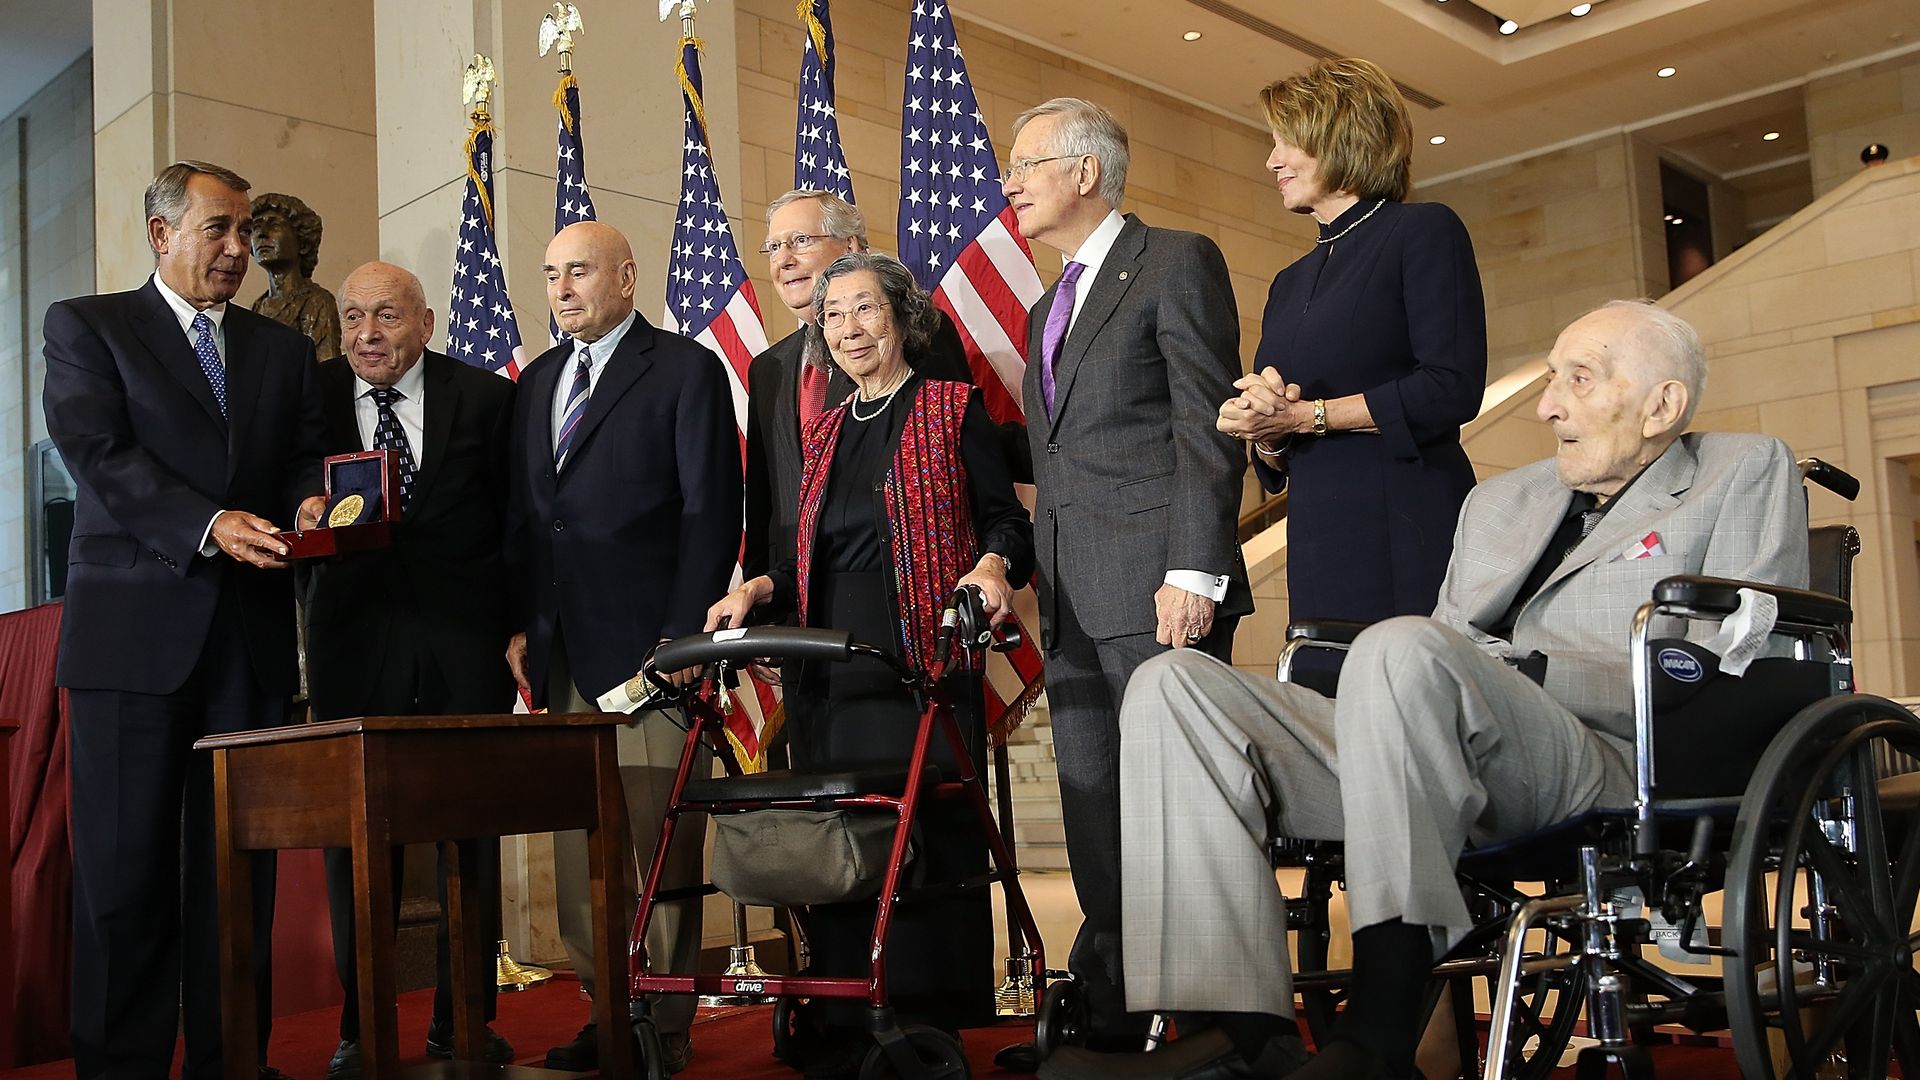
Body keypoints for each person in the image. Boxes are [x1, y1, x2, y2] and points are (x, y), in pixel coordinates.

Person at [1041, 301, 1809, 1080]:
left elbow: (1740, 656)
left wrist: (1505, 676)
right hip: (1435, 739)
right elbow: (1438, 651)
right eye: (1549, 381)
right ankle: (1239, 1041)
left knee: (1403, 646)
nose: (1548, 407)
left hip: (1604, 750)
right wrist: (1448, 676)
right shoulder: (1500, 501)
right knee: (1173, 684)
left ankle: (1377, 1033)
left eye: (1578, 380)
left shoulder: (1740, 471)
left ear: (1662, 406)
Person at [707, 251, 1033, 1079]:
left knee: (922, 827)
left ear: (901, 319)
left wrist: (991, 569)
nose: (849, 328)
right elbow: (802, 557)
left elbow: (1005, 525)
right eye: (834, 315)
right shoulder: (820, 434)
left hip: (916, 650)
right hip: (829, 660)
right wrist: (755, 590)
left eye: (865, 310)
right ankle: (850, 1003)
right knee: (840, 832)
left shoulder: (950, 409)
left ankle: (927, 1013)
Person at [44, 160, 328, 1080]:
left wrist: (314, 503)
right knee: (123, 880)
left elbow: (296, 463)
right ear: (162, 234)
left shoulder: (279, 351)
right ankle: (120, 1065)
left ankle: (231, 1059)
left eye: (245, 231)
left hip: (244, 646)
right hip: (131, 645)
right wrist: (205, 525)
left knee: (234, 878)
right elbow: (97, 451)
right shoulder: (88, 326)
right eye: (219, 229)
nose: (239, 249)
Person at [1000, 96, 1251, 1045]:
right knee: (1095, 814)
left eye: (1026, 164)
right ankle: (1117, 1007)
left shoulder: (1174, 262)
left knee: (1179, 813)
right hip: (1068, 598)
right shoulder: (1040, 309)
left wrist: (1197, 568)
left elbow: (1204, 424)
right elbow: (1058, 453)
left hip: (1159, 587)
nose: (1010, 183)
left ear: (1086, 171)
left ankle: (1217, 1020)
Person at [504, 220, 741, 1075]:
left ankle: (663, 1028)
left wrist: (676, 645)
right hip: (563, 651)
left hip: (652, 654)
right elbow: (530, 524)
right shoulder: (533, 384)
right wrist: (523, 625)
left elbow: (709, 511)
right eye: (550, 273)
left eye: (579, 272)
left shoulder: (684, 369)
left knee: (657, 844)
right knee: (580, 849)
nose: (562, 288)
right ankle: (607, 1014)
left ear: (628, 277)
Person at [303, 261, 517, 1078]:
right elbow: (289, 480)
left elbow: (518, 519)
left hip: (467, 645)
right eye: (354, 318)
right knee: (357, 849)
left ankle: (463, 1020)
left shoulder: (486, 399)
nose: (366, 335)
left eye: (386, 316)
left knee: (470, 831)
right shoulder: (314, 398)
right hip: (354, 647)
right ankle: (363, 1027)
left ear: (426, 323)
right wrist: (304, 506)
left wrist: (521, 624)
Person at [1219, 58, 1484, 655]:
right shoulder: (1289, 281)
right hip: (1317, 533)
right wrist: (1265, 430)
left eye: (1287, 141)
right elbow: (1280, 441)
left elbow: (1451, 386)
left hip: (1406, 521)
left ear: (1340, 139)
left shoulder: (1423, 231)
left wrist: (1306, 417)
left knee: (1407, 716)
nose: (1272, 161)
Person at [745, 189, 1020, 581]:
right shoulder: (767, 367)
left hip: (901, 583)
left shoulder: (914, 335)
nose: (784, 260)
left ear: (852, 246)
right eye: (773, 247)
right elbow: (763, 499)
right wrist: (763, 588)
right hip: (794, 592)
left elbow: (959, 461)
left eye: (801, 241)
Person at [249, 191, 342, 360]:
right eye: (256, 227)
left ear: (303, 243)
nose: (262, 234)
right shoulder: (258, 306)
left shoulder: (316, 302)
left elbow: (325, 369)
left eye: (275, 226)